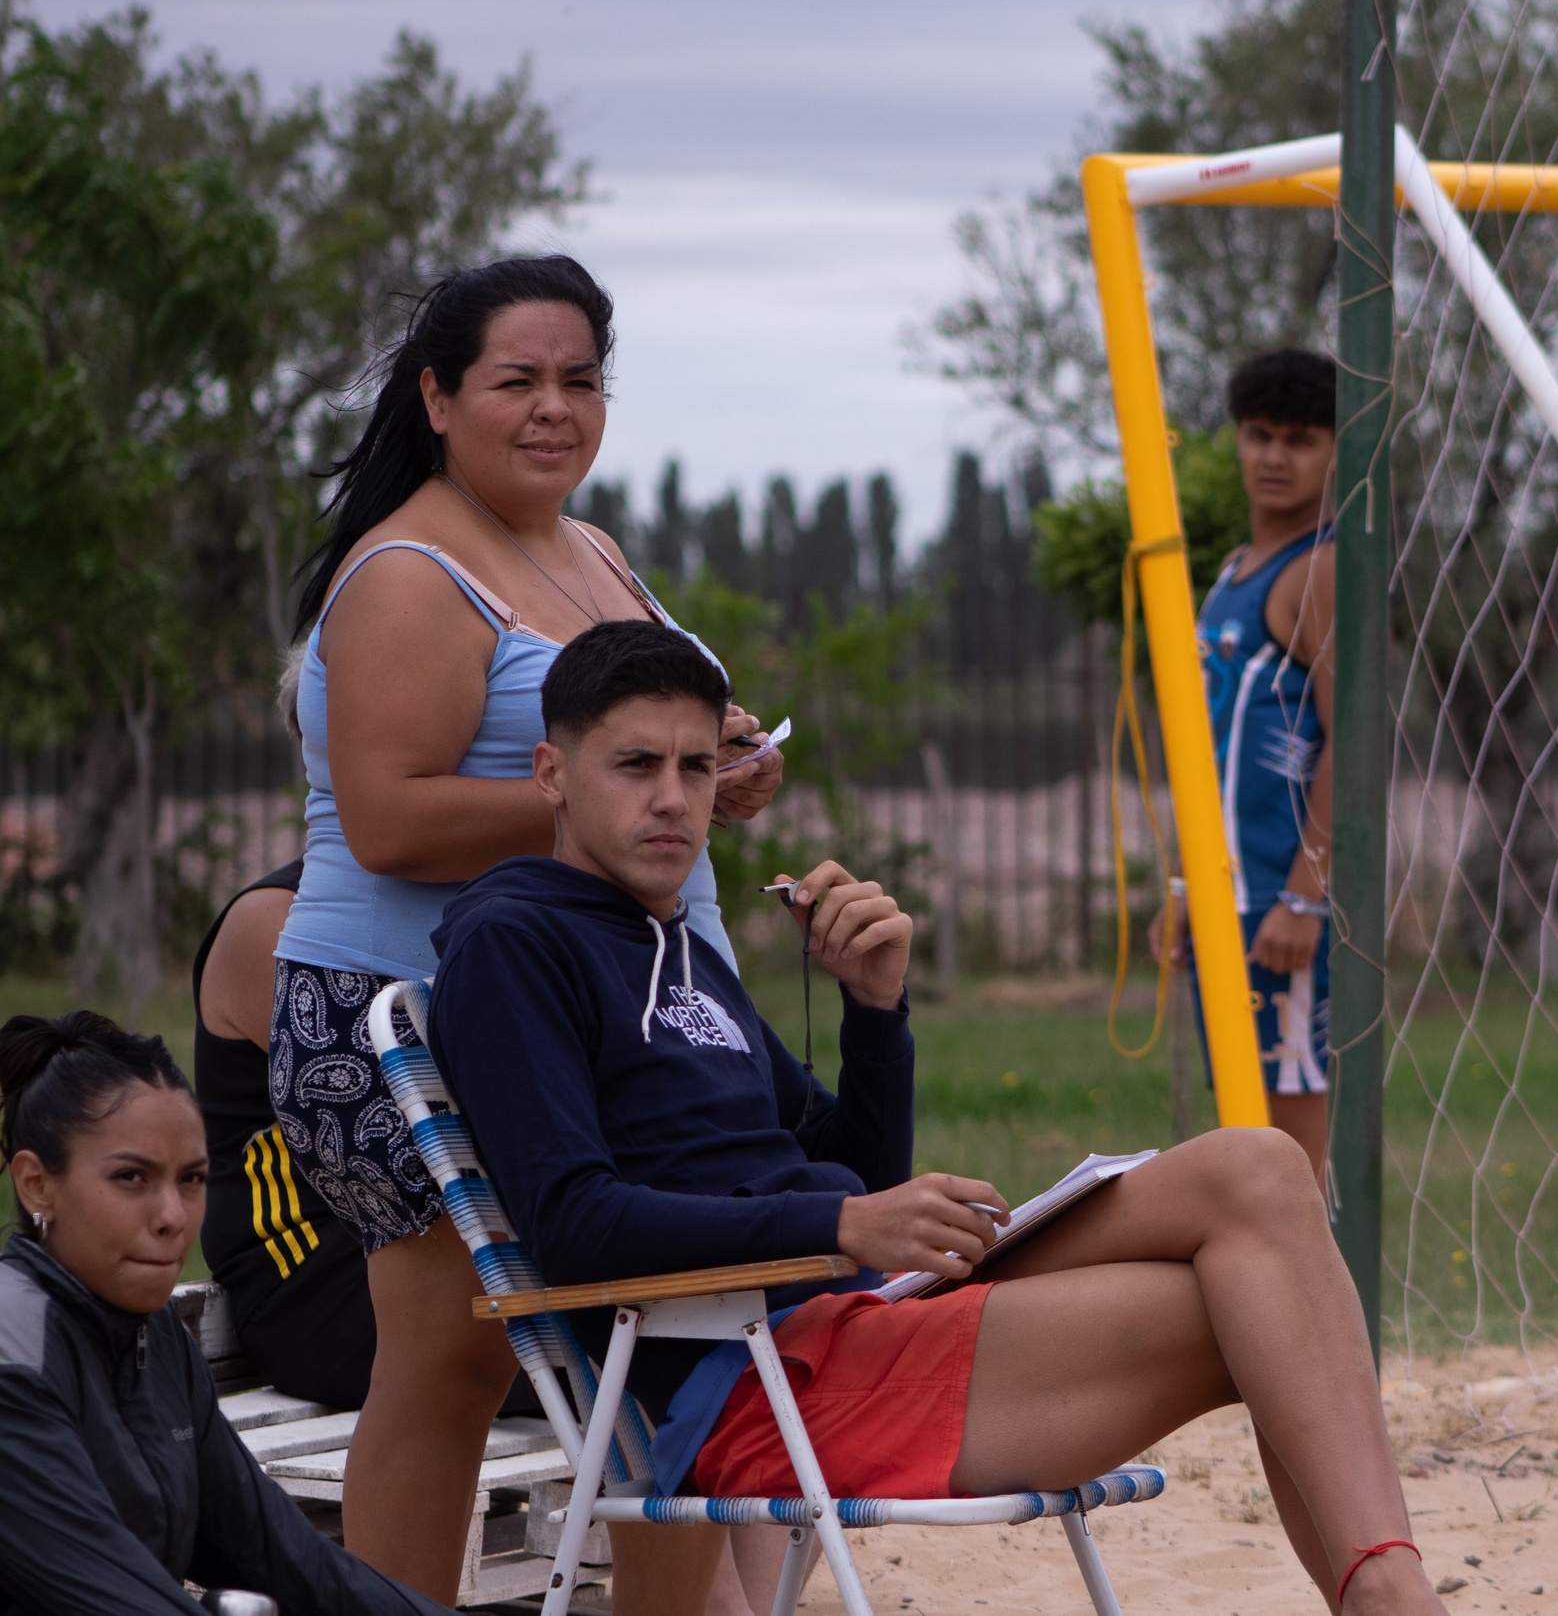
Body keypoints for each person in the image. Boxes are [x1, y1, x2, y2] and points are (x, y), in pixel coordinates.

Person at [426, 621, 1450, 1616]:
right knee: (1266, 1312)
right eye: (634, 764)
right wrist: (834, 1228)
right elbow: (572, 1222)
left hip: (854, 1313)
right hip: (754, 1376)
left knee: (1259, 1169)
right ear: (552, 772)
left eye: (697, 769)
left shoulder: (674, 942)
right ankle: (1396, 1605)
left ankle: (1388, 1597)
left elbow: (852, 1171)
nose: (672, 800)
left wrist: (874, 1014)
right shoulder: (514, 941)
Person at [269, 254, 785, 1603]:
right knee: (452, 1365)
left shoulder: (592, 546)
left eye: (579, 379)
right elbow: (385, 817)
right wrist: (597, 814)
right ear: (438, 397)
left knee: (668, 1330)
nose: (554, 407)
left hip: (621, 1002)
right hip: (418, 1009)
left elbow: (628, 749)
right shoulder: (407, 571)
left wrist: (711, 767)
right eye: (517, 380)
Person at [0, 1010, 445, 1616]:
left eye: (192, 1179)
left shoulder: (152, 1336)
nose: (172, 1216)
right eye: (131, 1177)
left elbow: (290, 1561)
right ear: (35, 1185)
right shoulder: (14, 1352)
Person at [1157, 348, 1338, 1176]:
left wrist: (1305, 895)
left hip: (1282, 905)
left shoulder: (1320, 570)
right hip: (1227, 899)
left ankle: (1325, 1305)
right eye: (1259, 434)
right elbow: (1214, 753)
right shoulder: (1232, 569)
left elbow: (1354, 744)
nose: (1274, 455)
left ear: (1337, 450)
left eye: (1300, 439)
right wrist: (1189, 886)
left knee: (1290, 1147)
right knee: (1242, 1135)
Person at [194, 856, 377, 1410]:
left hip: (454, 1254)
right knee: (609, 1358)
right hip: (317, 1277)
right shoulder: (275, 923)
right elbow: (398, 1136)